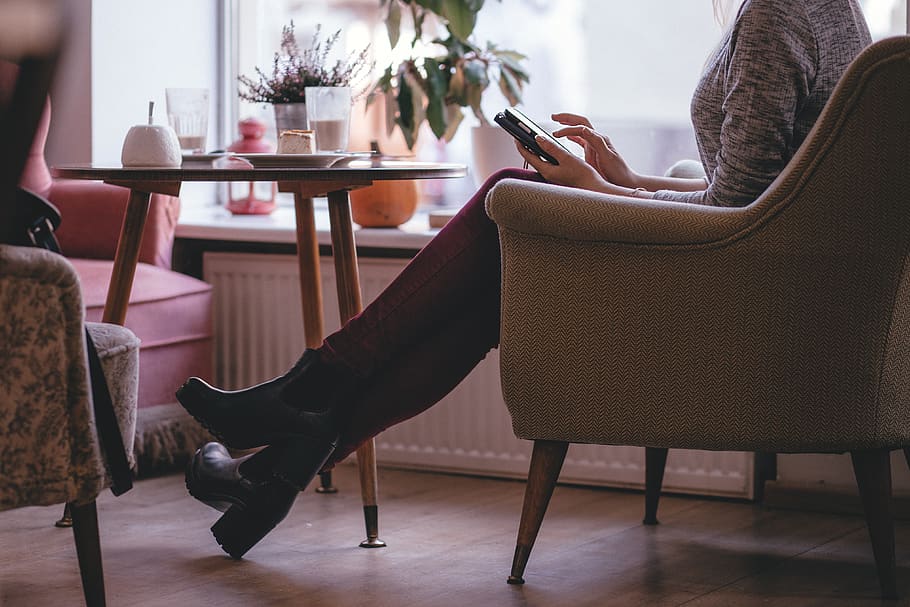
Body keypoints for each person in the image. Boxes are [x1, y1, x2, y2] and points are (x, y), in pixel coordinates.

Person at [177, 0, 872, 559]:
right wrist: (625, 181)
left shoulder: (779, 14)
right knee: (487, 298)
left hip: (723, 306)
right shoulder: (831, 12)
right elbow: (755, 199)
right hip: (753, 285)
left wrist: (598, 188)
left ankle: (301, 406)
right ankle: (280, 463)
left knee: (505, 191)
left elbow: (734, 214)